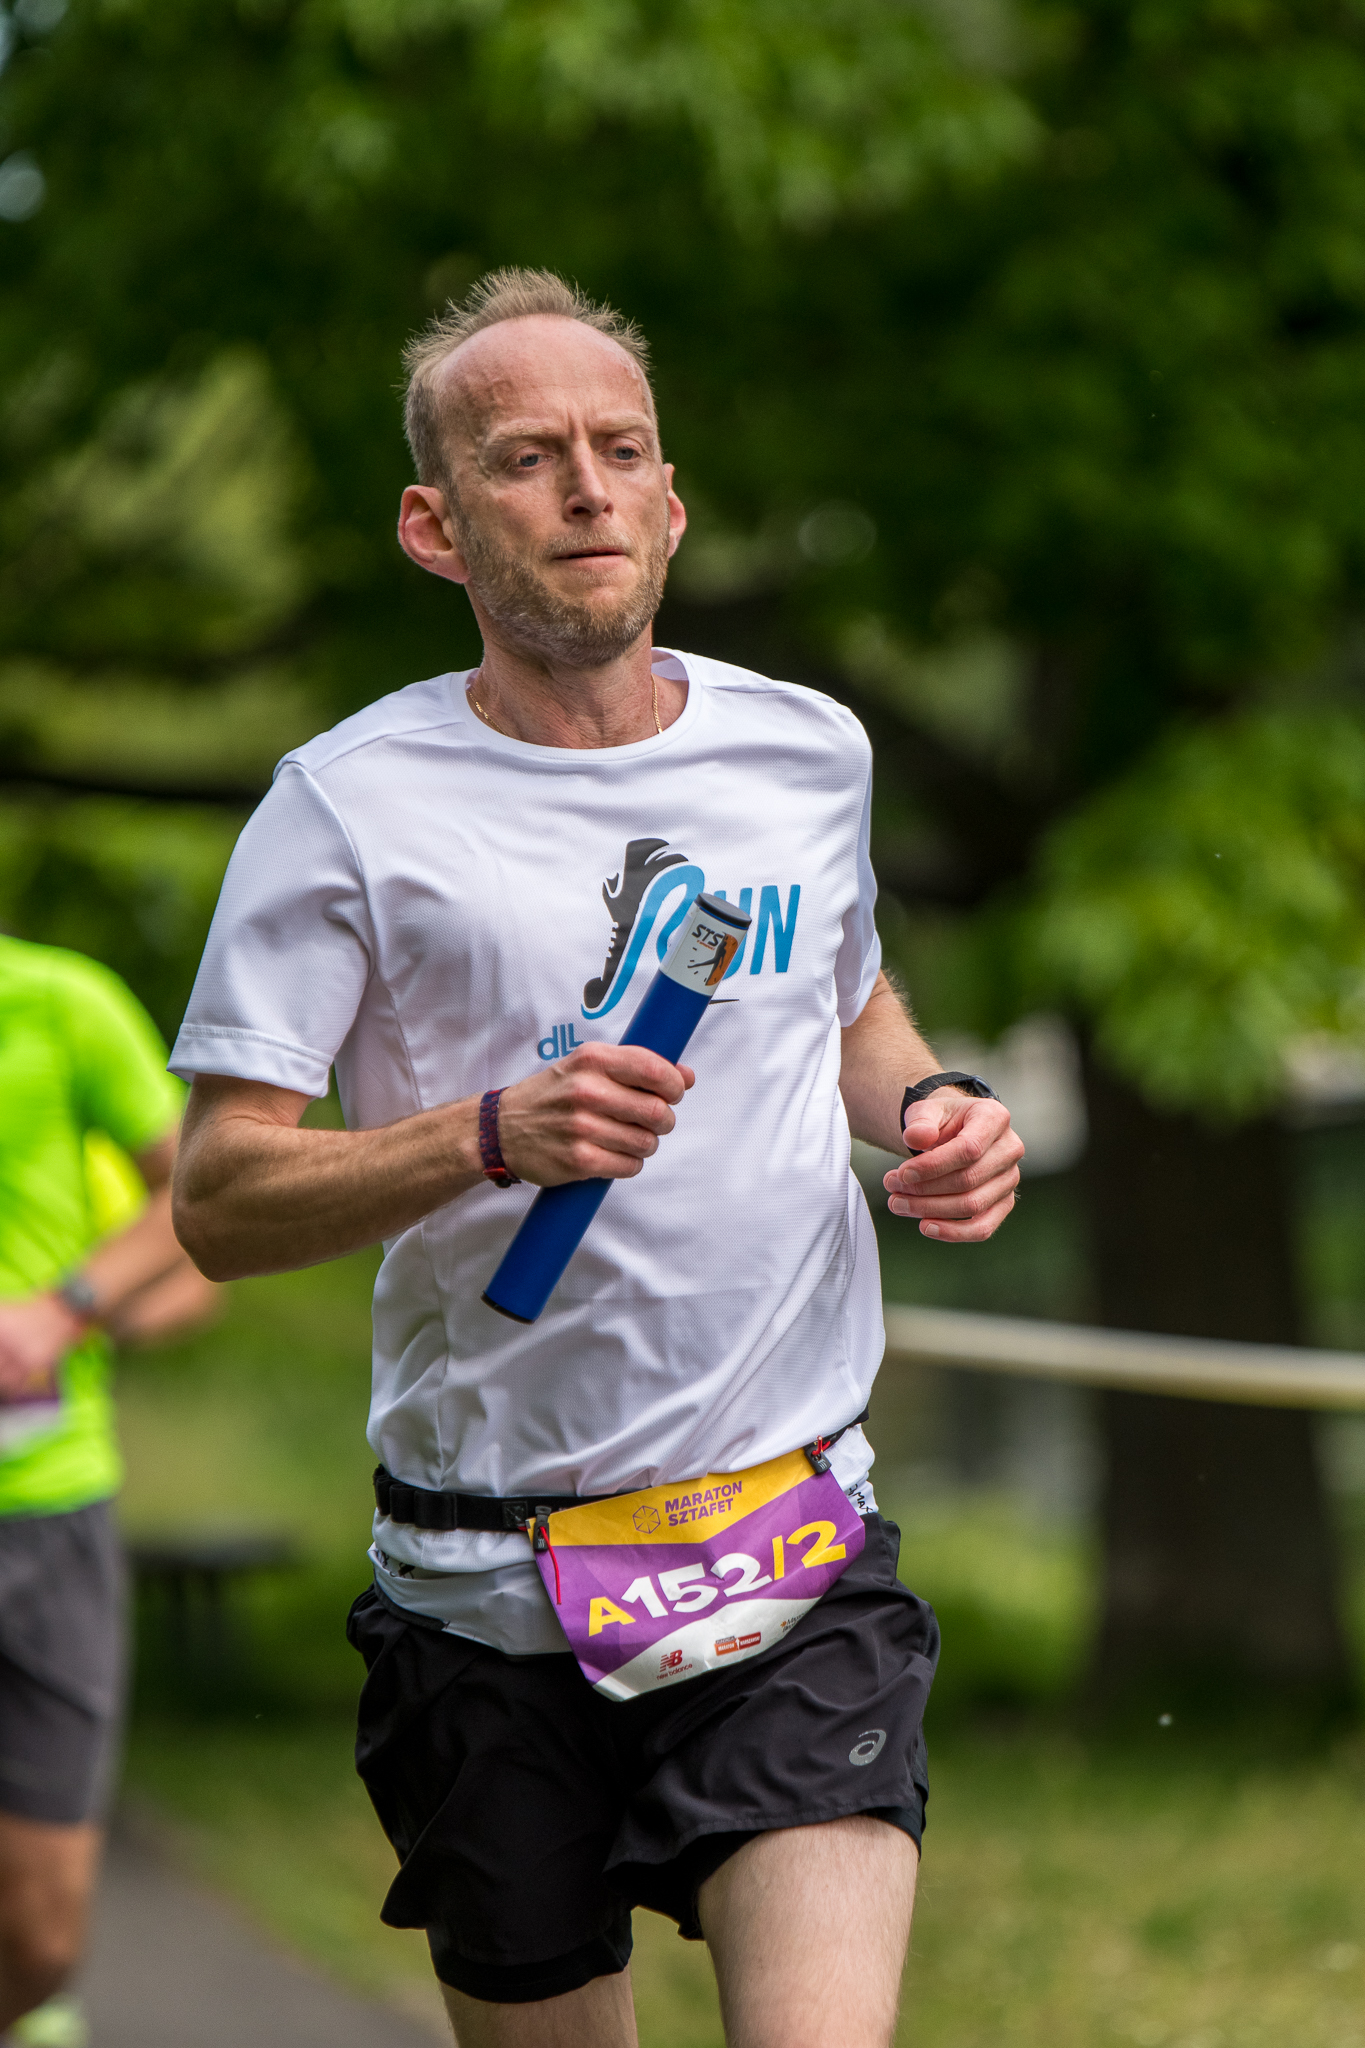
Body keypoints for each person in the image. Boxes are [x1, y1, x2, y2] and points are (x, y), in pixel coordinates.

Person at [169, 267, 1024, 2048]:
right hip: (484, 1579)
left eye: (620, 450)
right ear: (435, 524)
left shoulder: (806, 749)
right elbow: (222, 1200)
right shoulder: (343, 805)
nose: (585, 488)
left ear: (672, 503)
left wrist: (932, 1104)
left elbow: (849, 999)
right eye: (527, 456)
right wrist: (487, 1132)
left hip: (784, 1541)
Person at [0, 935, 220, 2045]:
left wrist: (66, 1311)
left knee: (39, 1941)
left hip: (48, 1501)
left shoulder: (59, 1006)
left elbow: (203, 1197)